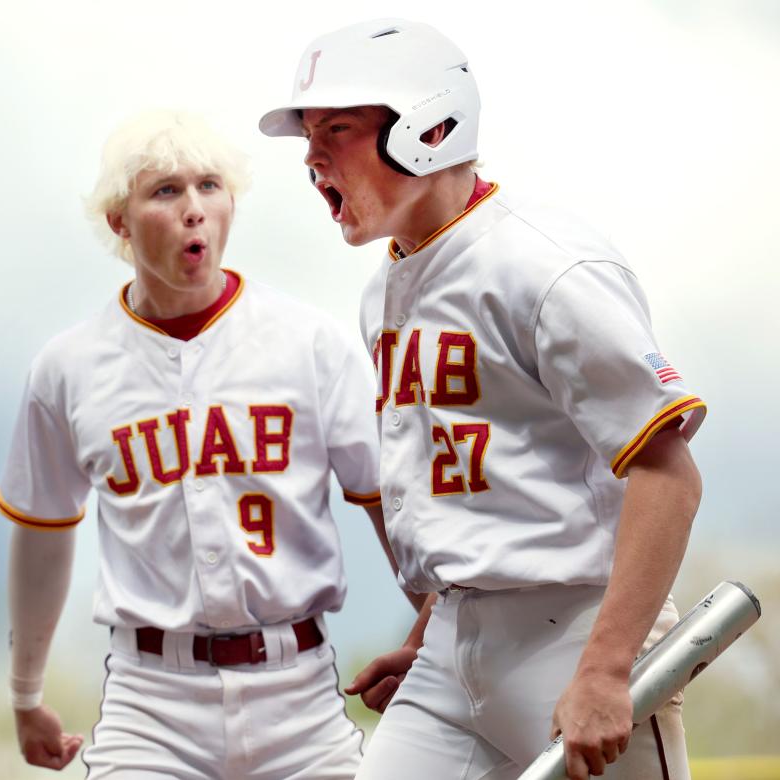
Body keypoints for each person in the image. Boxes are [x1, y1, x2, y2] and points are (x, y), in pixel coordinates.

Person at [260, 18, 705, 780]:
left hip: (576, 633)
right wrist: (433, 632)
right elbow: (460, 495)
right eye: (309, 134)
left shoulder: (548, 264)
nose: (312, 156)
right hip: (451, 648)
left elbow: (670, 478)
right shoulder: (385, 292)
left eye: (337, 128)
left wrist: (605, 668)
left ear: (429, 127)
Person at [0, 110, 416, 779]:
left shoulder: (309, 342)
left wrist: (435, 634)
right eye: (165, 191)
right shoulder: (68, 366)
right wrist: (25, 694)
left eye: (210, 186)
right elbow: (45, 532)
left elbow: (389, 507)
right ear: (119, 223)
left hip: (300, 695)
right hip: (150, 702)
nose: (194, 209)